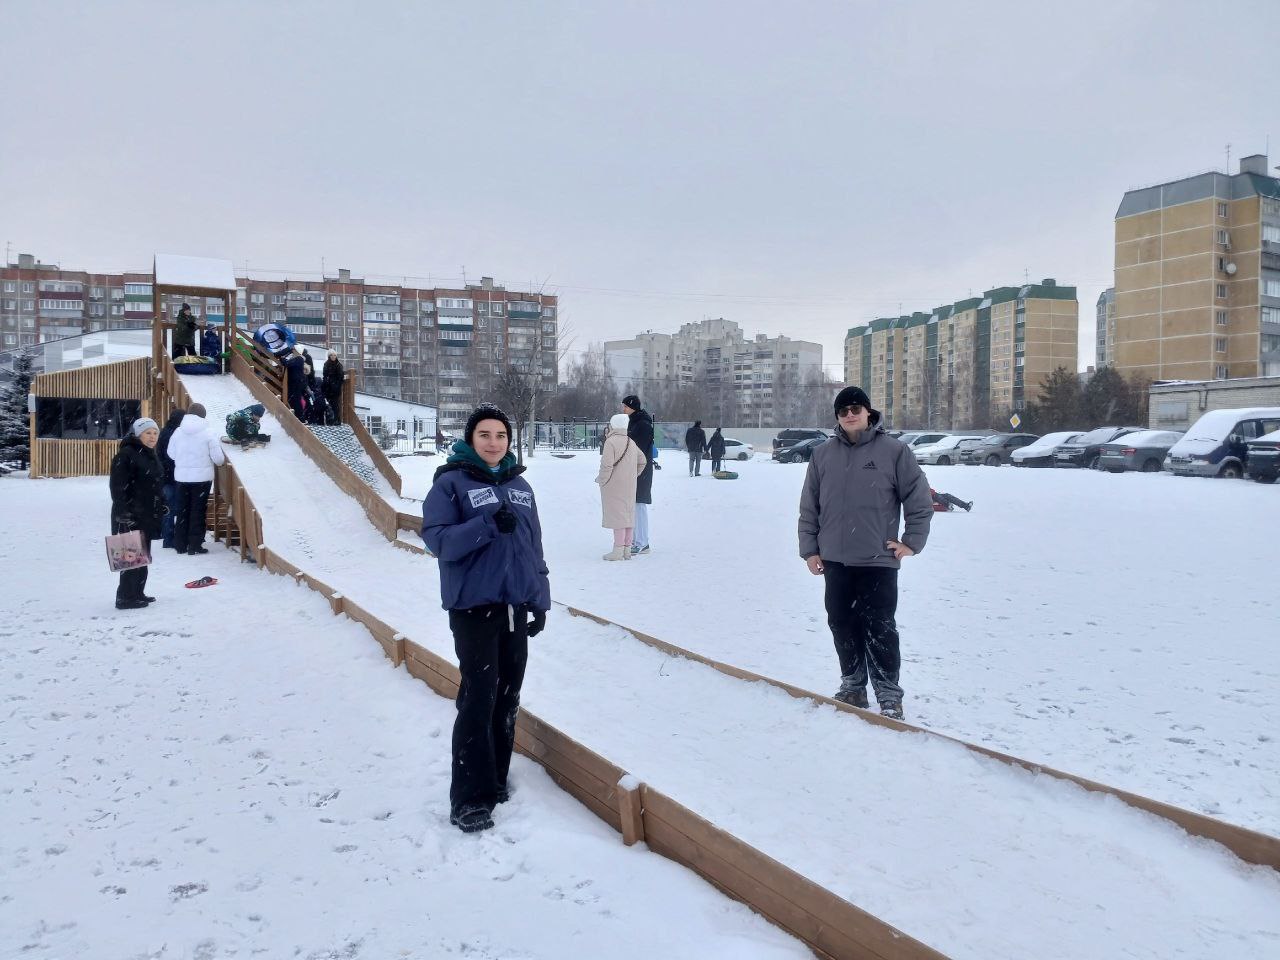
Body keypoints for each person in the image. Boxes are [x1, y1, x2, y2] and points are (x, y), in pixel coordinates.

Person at [421, 403, 550, 834]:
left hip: (515, 606)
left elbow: (534, 547)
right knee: (479, 698)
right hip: (474, 608)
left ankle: (494, 782)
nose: (494, 443)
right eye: (485, 435)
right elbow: (438, 542)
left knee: (508, 696)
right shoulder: (451, 484)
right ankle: (469, 799)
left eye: (501, 436)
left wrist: (539, 598)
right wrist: (487, 525)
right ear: (470, 439)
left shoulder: (521, 487)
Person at [798, 386, 933, 721]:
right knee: (841, 623)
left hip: (877, 560)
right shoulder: (823, 455)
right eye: (843, 411)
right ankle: (854, 686)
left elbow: (919, 500)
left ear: (869, 412)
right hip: (835, 561)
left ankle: (888, 694)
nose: (849, 415)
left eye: (855, 408)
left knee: (880, 627)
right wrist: (810, 549)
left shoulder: (894, 451)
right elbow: (809, 507)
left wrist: (911, 542)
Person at [109, 417, 166, 610]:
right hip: (130, 514)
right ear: (138, 434)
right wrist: (123, 512)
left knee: (143, 556)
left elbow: (155, 484)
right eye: (148, 433)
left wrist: (162, 502)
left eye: (155, 433)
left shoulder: (150, 454)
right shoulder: (126, 454)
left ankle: (138, 592)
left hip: (147, 513)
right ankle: (125, 597)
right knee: (130, 558)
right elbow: (117, 487)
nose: (152, 437)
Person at [166, 402, 226, 555]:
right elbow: (218, 459)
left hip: (181, 479)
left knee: (182, 511)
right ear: (203, 416)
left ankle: (180, 544)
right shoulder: (208, 432)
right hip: (202, 480)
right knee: (197, 511)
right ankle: (195, 545)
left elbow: (171, 454)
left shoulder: (178, 431)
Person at [596, 413, 648, 561]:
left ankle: (617, 550)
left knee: (617, 516)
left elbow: (606, 465)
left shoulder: (610, 442)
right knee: (628, 516)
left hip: (613, 485)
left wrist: (602, 480)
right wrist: (633, 475)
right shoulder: (631, 442)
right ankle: (626, 550)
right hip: (630, 485)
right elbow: (642, 460)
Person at [621, 394, 654, 556]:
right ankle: (635, 540)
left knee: (639, 505)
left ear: (633, 407)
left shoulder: (643, 424)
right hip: (633, 469)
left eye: (626, 406)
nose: (624, 409)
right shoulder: (634, 422)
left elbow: (637, 449)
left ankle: (642, 542)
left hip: (642, 470)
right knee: (633, 505)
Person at [156, 408, 186, 549]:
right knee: (171, 509)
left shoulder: (166, 431)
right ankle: (169, 539)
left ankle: (168, 537)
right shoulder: (173, 433)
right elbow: (170, 457)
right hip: (171, 477)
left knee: (168, 509)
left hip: (165, 477)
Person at [284, 348, 307, 420]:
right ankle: (298, 416)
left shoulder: (299, 359)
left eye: (294, 350)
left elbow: (287, 364)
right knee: (295, 399)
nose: (292, 352)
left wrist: (283, 358)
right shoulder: (297, 359)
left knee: (296, 399)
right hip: (295, 382)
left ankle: (300, 417)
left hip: (296, 382)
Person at [322, 351, 345, 425]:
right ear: (329, 356)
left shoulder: (339, 365)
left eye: (335, 355)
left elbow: (341, 378)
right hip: (328, 388)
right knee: (328, 404)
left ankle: (336, 420)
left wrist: (336, 386)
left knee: (335, 404)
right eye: (331, 355)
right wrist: (325, 384)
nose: (333, 356)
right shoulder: (326, 364)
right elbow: (325, 375)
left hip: (335, 389)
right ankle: (329, 420)